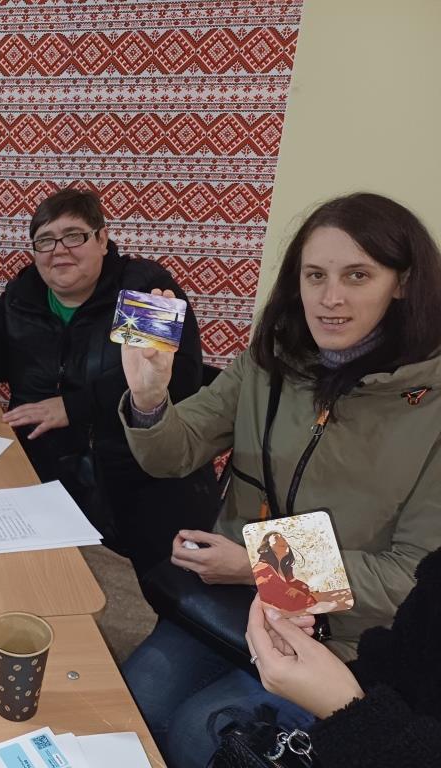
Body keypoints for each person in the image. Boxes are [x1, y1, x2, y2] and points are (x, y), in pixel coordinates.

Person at [119, 193, 441, 767]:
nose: (330, 298)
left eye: (357, 275)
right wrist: (148, 398)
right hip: (234, 604)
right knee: (132, 701)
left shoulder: (430, 408)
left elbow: (409, 578)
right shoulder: (269, 363)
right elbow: (172, 453)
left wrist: (258, 565)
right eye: (315, 275)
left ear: (403, 282)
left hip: (343, 640)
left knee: (201, 734)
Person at [0, 187, 218, 577]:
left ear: (102, 239)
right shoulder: (23, 295)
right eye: (45, 241)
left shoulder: (142, 288)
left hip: (132, 476)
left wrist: (74, 406)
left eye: (73, 236)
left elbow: (176, 381)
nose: (59, 250)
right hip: (44, 471)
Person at [233, 547, 441, 766]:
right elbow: (402, 656)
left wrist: (348, 709)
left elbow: (396, 576)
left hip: (362, 723)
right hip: (356, 703)